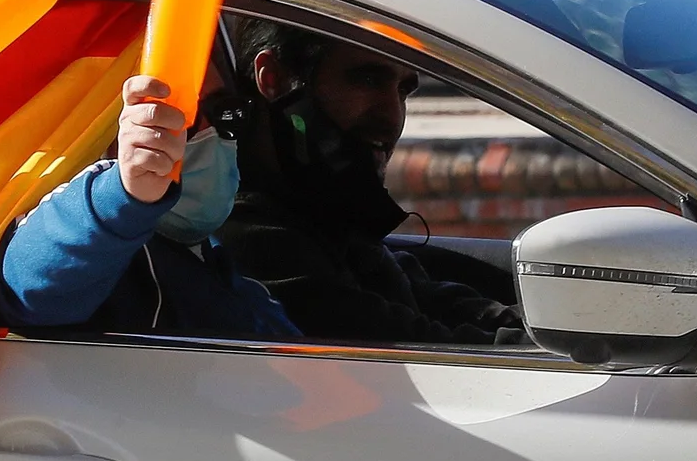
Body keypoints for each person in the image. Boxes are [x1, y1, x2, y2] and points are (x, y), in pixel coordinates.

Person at [220, 19, 523, 345]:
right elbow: (416, 347)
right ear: (275, 79)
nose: (392, 117)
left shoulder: (321, 209)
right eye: (367, 80)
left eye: (403, 91)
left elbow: (440, 304)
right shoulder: (247, 234)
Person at [0, 64, 296, 339]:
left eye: (223, 110)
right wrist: (122, 191)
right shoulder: (102, 262)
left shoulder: (235, 277)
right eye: (178, 118)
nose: (210, 132)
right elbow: (26, 285)